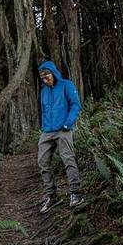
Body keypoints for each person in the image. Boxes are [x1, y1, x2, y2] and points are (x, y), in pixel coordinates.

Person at [36, 60, 82, 214]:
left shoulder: (66, 85)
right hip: (47, 131)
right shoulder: (43, 91)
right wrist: (43, 127)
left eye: (47, 75)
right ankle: (51, 195)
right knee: (42, 161)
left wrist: (68, 123)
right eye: (42, 76)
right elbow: (44, 110)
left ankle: (75, 193)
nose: (45, 78)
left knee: (68, 159)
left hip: (63, 129)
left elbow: (75, 105)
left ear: (53, 73)